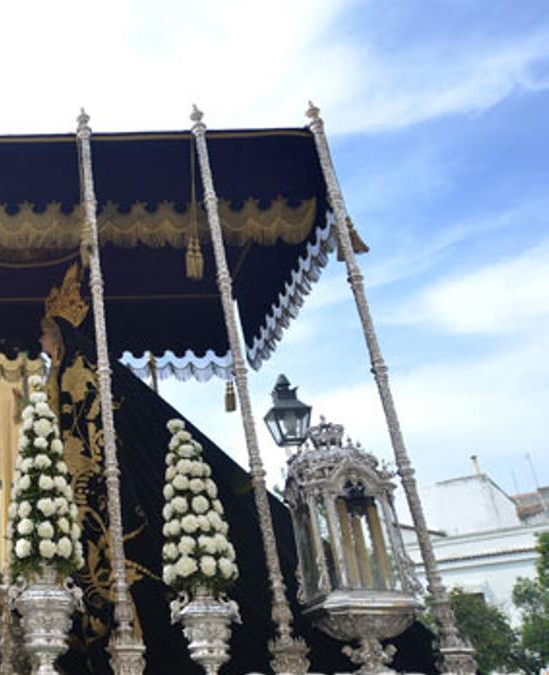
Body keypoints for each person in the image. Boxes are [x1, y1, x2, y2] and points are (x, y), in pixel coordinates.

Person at [36, 263, 437, 674]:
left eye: (46, 333)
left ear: (62, 335)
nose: (42, 342)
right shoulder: (61, 377)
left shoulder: (80, 375)